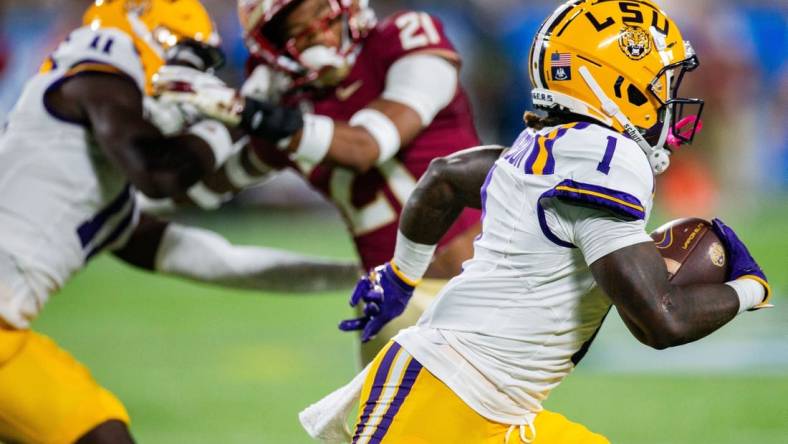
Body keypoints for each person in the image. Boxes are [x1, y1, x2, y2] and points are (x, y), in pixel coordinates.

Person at [304, 1, 773, 443]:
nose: (670, 98)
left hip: (484, 404)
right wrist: (750, 287)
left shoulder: (555, 142)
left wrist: (401, 274)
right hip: (441, 402)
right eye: (661, 83)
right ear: (621, 85)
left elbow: (446, 179)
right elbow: (661, 322)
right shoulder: (607, 157)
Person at [0, 1, 358, 443]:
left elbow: (220, 261)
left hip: (7, 338)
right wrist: (228, 119)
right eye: (185, 56)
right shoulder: (95, 70)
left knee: (99, 431)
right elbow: (161, 173)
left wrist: (351, 275)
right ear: (144, 32)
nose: (190, 80)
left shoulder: (96, 186)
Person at [155, 0, 484, 364]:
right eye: (302, 34)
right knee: (386, 421)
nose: (323, 39)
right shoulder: (287, 114)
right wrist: (189, 121)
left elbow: (365, 146)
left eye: (326, 21)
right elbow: (200, 188)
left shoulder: (401, 40)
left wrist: (242, 109)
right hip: (391, 303)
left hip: (483, 280)